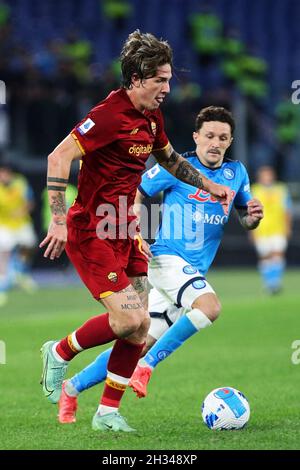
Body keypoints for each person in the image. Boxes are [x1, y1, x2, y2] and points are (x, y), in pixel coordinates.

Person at [39, 31, 232, 433]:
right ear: (138, 78)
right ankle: (58, 352)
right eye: (160, 79)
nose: (167, 87)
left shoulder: (151, 118)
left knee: (141, 325)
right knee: (128, 320)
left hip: (126, 231)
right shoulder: (108, 115)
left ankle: (107, 412)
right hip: (93, 229)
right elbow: (58, 157)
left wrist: (209, 185)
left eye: (168, 79)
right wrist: (57, 218)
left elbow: (172, 160)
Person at [56, 106, 264, 424]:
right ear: (196, 137)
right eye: (209, 136)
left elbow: (244, 217)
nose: (215, 143)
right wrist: (135, 231)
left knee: (136, 342)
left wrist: (253, 216)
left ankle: (73, 387)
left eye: (222, 137)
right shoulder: (177, 167)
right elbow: (135, 191)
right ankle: (148, 367)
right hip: (166, 260)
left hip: (191, 273)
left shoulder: (237, 174)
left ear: (230, 140)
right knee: (209, 307)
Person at [0, 163, 37, 307]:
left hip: (21, 223)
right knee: (4, 252)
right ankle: (3, 281)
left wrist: (22, 211)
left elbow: (30, 202)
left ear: (9, 173)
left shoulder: (20, 183)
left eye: (3, 173)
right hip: (4, 225)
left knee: (30, 246)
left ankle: (21, 272)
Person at [251, 166, 292, 294]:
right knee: (265, 256)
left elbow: (287, 210)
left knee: (277, 254)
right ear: (260, 177)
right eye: (264, 175)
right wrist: (251, 231)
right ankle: (269, 283)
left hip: (278, 228)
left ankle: (275, 283)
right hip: (260, 229)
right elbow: (248, 212)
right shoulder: (254, 190)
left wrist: (288, 227)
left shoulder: (281, 189)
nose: (267, 178)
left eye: (269, 175)